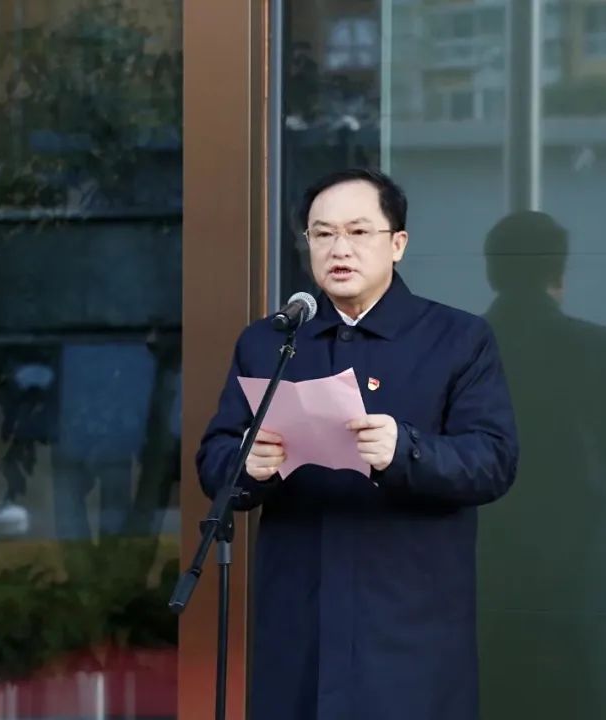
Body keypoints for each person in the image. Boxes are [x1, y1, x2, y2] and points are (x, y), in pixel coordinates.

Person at [196, 168, 519, 720]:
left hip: (408, 616)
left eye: (358, 232)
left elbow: (493, 461)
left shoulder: (457, 338)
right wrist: (248, 463)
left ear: (398, 243)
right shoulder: (271, 341)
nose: (338, 249)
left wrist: (406, 450)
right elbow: (214, 458)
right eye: (322, 234)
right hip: (297, 610)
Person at [479, 211, 606, 720]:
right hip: (580, 579)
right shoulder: (601, 350)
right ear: (557, 272)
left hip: (484, 576)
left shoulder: (455, 350)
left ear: (491, 272)